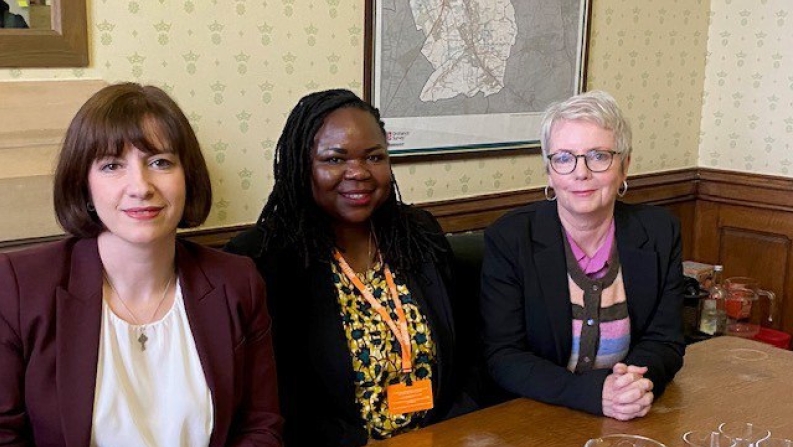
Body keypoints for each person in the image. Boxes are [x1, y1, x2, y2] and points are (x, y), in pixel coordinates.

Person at [0, 83, 283, 446]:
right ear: (84, 183)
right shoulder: (21, 287)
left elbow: (260, 425)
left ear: (188, 176)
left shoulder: (237, 281)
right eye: (112, 165)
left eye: (160, 162)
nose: (141, 186)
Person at [225, 89, 476, 445]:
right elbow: (277, 398)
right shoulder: (266, 258)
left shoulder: (418, 233)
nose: (358, 172)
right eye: (334, 159)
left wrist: (453, 430)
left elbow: (466, 349)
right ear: (302, 166)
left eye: (374, 157)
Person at [480, 90, 685, 421]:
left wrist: (630, 386)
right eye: (564, 158)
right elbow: (504, 355)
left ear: (625, 166)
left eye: (598, 156)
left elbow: (666, 341)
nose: (580, 172)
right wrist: (594, 394)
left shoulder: (660, 232)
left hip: (628, 414)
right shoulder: (510, 237)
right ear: (549, 171)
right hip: (534, 415)